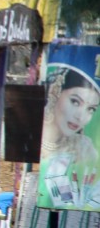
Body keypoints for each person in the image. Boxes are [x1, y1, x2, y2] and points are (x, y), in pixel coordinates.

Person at [40, 67, 100, 207]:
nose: (80, 116)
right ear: (56, 93)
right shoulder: (31, 131)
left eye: (90, 109)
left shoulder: (84, 148)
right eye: (75, 102)